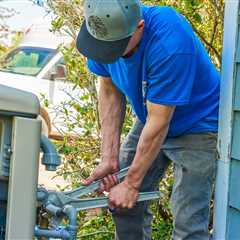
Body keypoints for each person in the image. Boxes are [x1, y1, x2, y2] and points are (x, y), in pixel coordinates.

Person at [77, 0, 220, 239]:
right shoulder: (103, 32)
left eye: (115, 48)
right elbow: (110, 89)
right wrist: (109, 157)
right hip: (152, 115)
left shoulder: (170, 43)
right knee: (122, 204)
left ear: (139, 27)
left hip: (198, 123)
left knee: (188, 222)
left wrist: (132, 184)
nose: (107, 55)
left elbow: (160, 121)